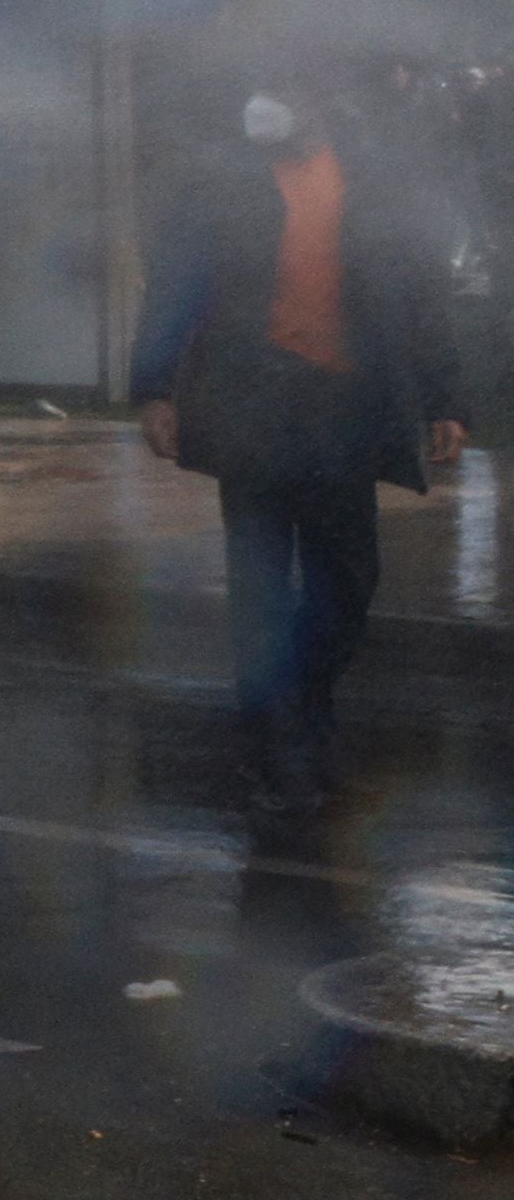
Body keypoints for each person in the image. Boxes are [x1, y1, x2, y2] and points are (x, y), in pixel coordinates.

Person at [131, 83, 467, 811]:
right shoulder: (222, 177)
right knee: (260, 589)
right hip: (251, 408)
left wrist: (444, 398)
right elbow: (175, 283)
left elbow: (417, 285)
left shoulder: (365, 170)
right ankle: (274, 744)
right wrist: (154, 389)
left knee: (346, 581)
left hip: (340, 410)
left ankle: (304, 715)